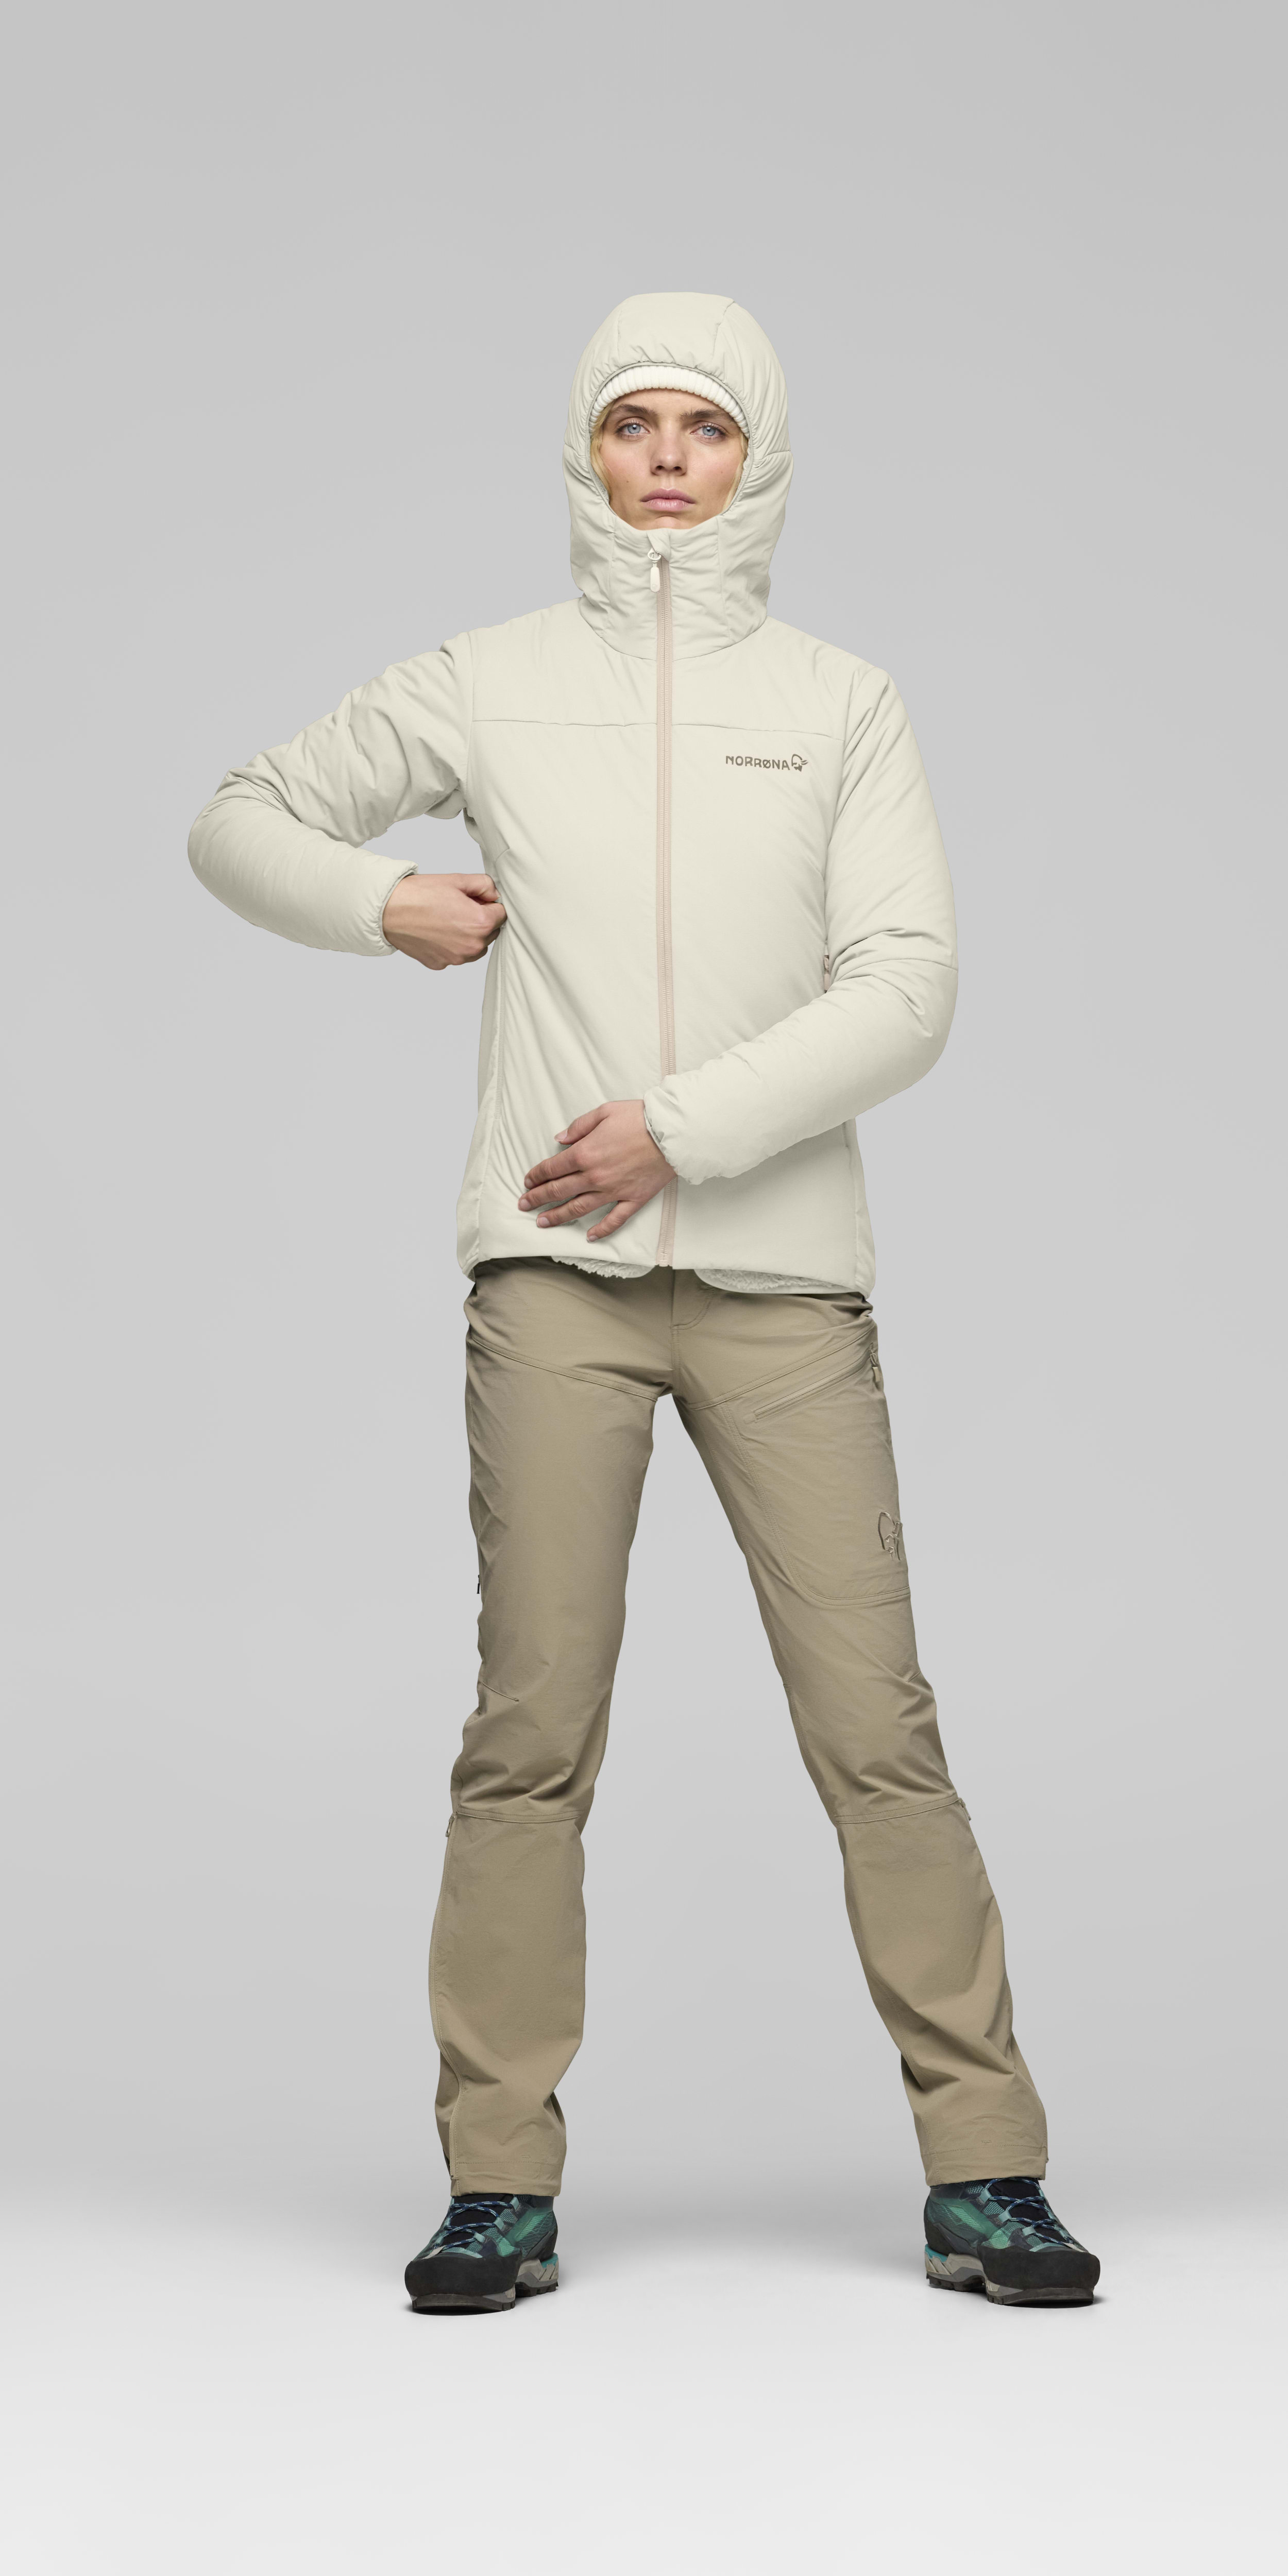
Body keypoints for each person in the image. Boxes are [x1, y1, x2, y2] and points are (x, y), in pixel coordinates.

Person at [189, 292, 1099, 2314]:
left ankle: (986, 2169)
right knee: (528, 1735)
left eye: (703, 424)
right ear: (585, 452)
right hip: (555, 1287)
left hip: (782, 1285)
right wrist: (377, 900)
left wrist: (673, 1130)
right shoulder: (490, 682)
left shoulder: (841, 700)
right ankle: (494, 2184)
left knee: (878, 1729)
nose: (666, 458)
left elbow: (906, 988)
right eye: (631, 423)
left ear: (757, 452)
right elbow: (237, 817)